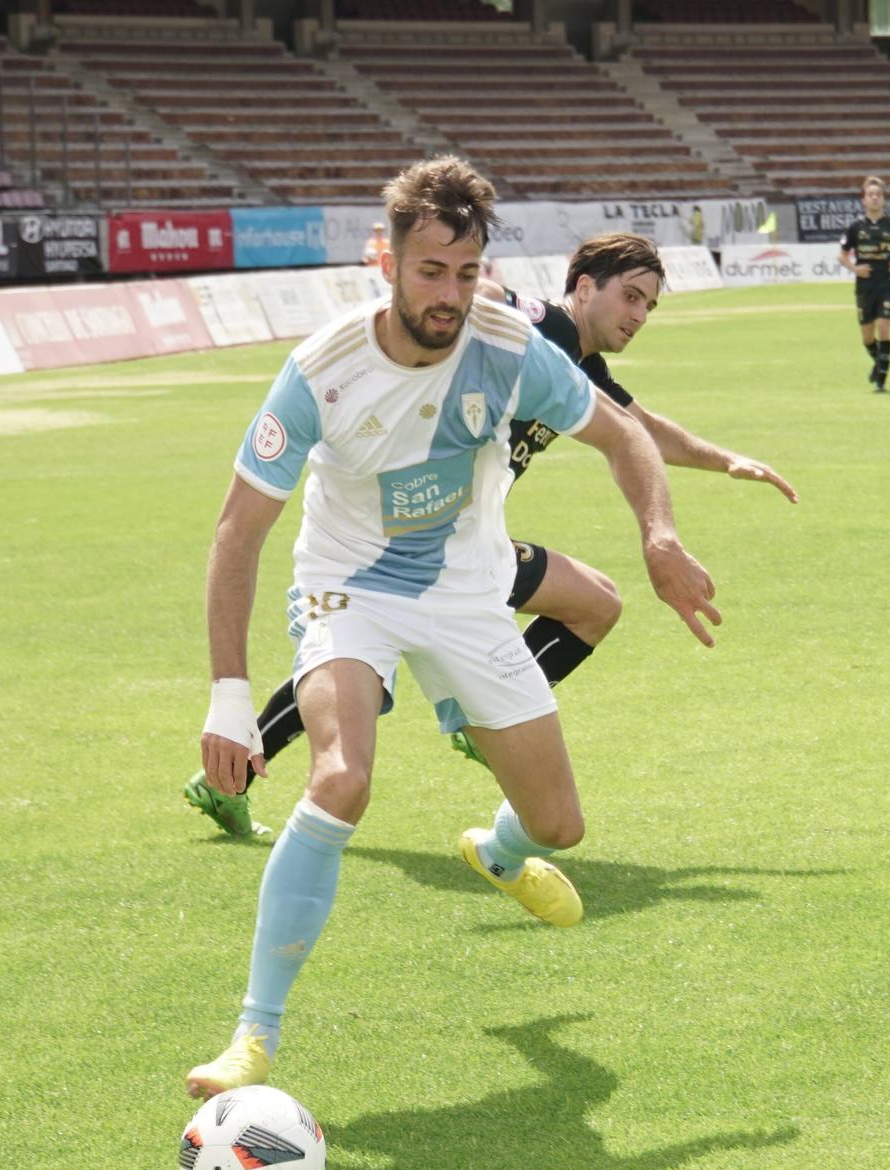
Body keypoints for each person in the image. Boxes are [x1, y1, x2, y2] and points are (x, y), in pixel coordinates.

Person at [184, 158, 720, 1098]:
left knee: (561, 824)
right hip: (351, 588)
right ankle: (252, 1036)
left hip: (470, 593)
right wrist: (230, 696)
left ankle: (501, 850)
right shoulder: (322, 370)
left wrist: (660, 532)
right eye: (431, 271)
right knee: (342, 775)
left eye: (467, 273)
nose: (450, 294)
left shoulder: (510, 346)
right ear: (387, 263)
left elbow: (622, 433)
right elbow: (239, 530)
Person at [182, 232, 797, 838]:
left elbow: (640, 432)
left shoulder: (584, 368)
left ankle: (473, 722)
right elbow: (498, 301)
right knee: (354, 661)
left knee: (593, 603)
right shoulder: (540, 329)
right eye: (631, 297)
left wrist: (724, 461)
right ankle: (466, 728)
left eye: (650, 306)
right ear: (584, 289)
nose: (639, 315)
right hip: (397, 536)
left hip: (467, 544)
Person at [836, 175, 890, 393]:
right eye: (870, 195)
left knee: (884, 327)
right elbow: (842, 255)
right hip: (864, 285)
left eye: (878, 195)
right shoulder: (855, 228)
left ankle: (882, 379)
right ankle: (878, 362)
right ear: (864, 200)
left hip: (887, 283)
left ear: (884, 200)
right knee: (867, 336)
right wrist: (855, 269)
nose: (874, 198)